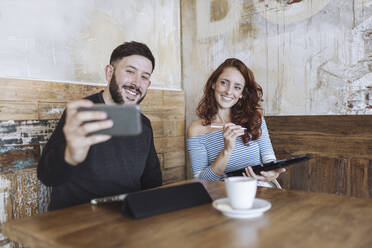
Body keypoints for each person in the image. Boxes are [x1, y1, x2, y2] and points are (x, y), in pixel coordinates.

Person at [38, 41, 162, 210]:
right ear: (109, 72)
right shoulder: (82, 113)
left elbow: (151, 181)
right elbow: (47, 176)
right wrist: (70, 155)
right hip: (78, 224)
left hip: (126, 219)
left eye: (144, 76)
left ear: (148, 84)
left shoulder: (143, 124)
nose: (136, 82)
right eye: (130, 71)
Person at [187, 58, 284, 187]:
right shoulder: (196, 129)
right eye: (224, 83)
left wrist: (272, 173)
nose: (228, 91)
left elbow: (269, 160)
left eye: (237, 87)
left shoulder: (255, 117)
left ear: (242, 93)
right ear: (213, 84)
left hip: (262, 189)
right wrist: (226, 150)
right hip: (223, 194)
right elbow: (201, 180)